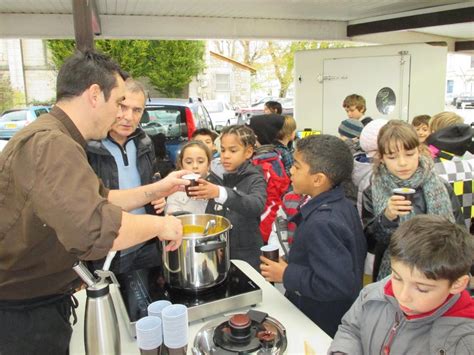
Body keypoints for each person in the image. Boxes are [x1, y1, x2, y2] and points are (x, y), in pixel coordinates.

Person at [0, 50, 189, 355]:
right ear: (93, 95)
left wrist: (157, 189)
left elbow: (102, 199)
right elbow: (95, 227)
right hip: (22, 316)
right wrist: (162, 225)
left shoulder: (53, 137)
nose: (120, 115)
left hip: (32, 306)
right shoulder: (51, 144)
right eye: (117, 104)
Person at [260, 135, 367, 337]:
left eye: (297, 167)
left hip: (321, 320)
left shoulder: (322, 223)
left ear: (318, 179)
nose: (290, 170)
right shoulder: (342, 205)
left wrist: (286, 274)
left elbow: (336, 284)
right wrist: (291, 262)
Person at [329, 215, 474, 355]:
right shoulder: (373, 295)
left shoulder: (465, 342)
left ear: (457, 284)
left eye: (421, 289)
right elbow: (352, 329)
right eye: (397, 277)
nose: (402, 297)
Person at [362, 120, 464, 282]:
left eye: (409, 154)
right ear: (381, 158)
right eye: (392, 157)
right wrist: (386, 217)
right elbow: (370, 243)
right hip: (392, 274)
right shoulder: (372, 191)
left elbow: (459, 234)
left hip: (438, 271)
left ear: (419, 151)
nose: (402, 163)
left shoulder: (440, 186)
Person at [86, 78, 165, 274]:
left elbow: (151, 184)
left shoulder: (145, 143)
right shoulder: (88, 146)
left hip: (145, 244)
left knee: (147, 302)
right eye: (122, 107)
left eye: (137, 110)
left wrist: (159, 198)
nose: (129, 117)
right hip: (109, 247)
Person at [188, 125, 267, 270]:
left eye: (233, 150)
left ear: (248, 152)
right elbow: (210, 216)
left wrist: (220, 193)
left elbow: (256, 205)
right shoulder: (214, 177)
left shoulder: (255, 178)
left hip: (247, 257)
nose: (225, 155)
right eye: (223, 150)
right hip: (218, 252)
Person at [426, 111, 473, 232]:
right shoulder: (470, 161)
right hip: (468, 235)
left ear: (434, 133)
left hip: (440, 236)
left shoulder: (428, 165)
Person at [165, 140, 222, 215]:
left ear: (208, 164)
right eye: (189, 162)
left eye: (200, 161)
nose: (195, 166)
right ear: (181, 165)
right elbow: (172, 220)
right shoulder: (174, 190)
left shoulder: (219, 188)